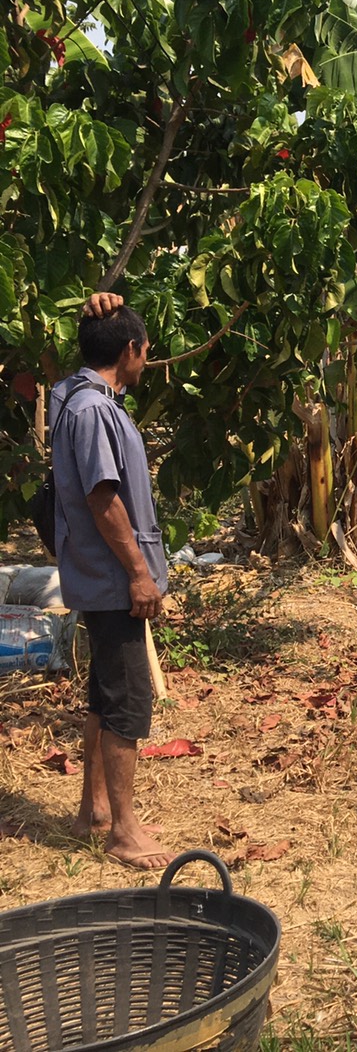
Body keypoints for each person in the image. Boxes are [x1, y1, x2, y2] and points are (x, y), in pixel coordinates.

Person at [53, 294, 172, 869]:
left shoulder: (77, 398)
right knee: (128, 701)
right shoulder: (93, 410)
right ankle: (124, 830)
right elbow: (104, 499)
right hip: (112, 581)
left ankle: (93, 809)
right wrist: (139, 575)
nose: (146, 361)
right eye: (145, 350)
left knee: (104, 696)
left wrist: (97, 307)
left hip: (100, 580)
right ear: (130, 350)